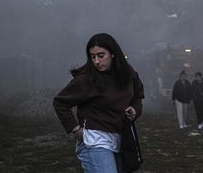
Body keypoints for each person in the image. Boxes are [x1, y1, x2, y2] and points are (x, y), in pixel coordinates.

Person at [53, 33, 144, 173]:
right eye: (92, 56)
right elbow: (60, 102)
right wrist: (75, 129)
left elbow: (137, 97)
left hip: (121, 139)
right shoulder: (86, 79)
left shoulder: (128, 74)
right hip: (95, 142)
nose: (96, 61)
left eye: (101, 55)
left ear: (113, 54)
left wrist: (135, 110)